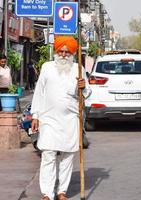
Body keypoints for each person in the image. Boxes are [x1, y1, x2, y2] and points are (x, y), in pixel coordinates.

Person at [31, 36, 90, 200]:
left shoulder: (78, 69)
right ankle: (47, 194)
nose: (63, 54)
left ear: (72, 53)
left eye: (67, 52)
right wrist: (35, 115)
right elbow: (39, 92)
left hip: (70, 120)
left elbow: (87, 93)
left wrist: (83, 87)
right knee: (48, 154)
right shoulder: (46, 67)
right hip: (48, 118)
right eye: (61, 51)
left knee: (67, 155)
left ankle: (61, 191)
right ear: (56, 52)